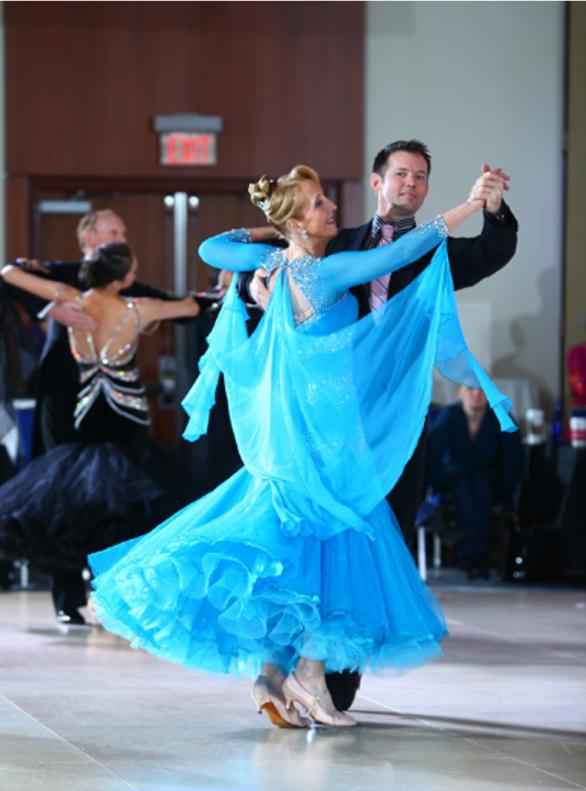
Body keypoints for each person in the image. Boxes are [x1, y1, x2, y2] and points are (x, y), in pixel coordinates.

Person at [87, 165, 516, 729]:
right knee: (342, 544)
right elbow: (406, 248)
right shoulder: (330, 271)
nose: (330, 210)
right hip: (332, 432)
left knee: (296, 551)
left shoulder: (275, 265)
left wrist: (272, 236)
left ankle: (271, 675)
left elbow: (214, 248)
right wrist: (464, 206)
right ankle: (310, 675)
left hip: (298, 432)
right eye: (317, 205)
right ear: (298, 219)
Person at [240, 139, 518, 709]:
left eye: (420, 176)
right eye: (401, 174)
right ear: (377, 181)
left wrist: (491, 208)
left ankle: (334, 680)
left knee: (383, 532)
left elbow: (491, 253)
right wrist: (254, 281)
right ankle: (295, 670)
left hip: (399, 417)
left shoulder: (434, 253)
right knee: (321, 536)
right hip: (331, 417)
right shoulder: (333, 243)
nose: (411, 183)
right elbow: (267, 265)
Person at [1, 210, 187, 624]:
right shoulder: (62, 276)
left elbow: (176, 304)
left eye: (123, 230)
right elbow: (8, 273)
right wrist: (52, 309)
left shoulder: (128, 283)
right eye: (114, 231)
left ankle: (115, 593)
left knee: (120, 490)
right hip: (62, 397)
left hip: (114, 405)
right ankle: (68, 597)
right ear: (89, 238)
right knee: (60, 491)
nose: (123, 235)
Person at [427, 386, 523, 579]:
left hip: (489, 481)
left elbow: (513, 458)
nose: (476, 394)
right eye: (470, 389)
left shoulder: (500, 416)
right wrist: (435, 485)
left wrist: (508, 489)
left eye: (482, 390)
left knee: (480, 488)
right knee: (465, 490)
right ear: (460, 392)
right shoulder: (449, 415)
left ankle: (472, 554)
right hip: (454, 480)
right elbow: (433, 455)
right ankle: (477, 555)